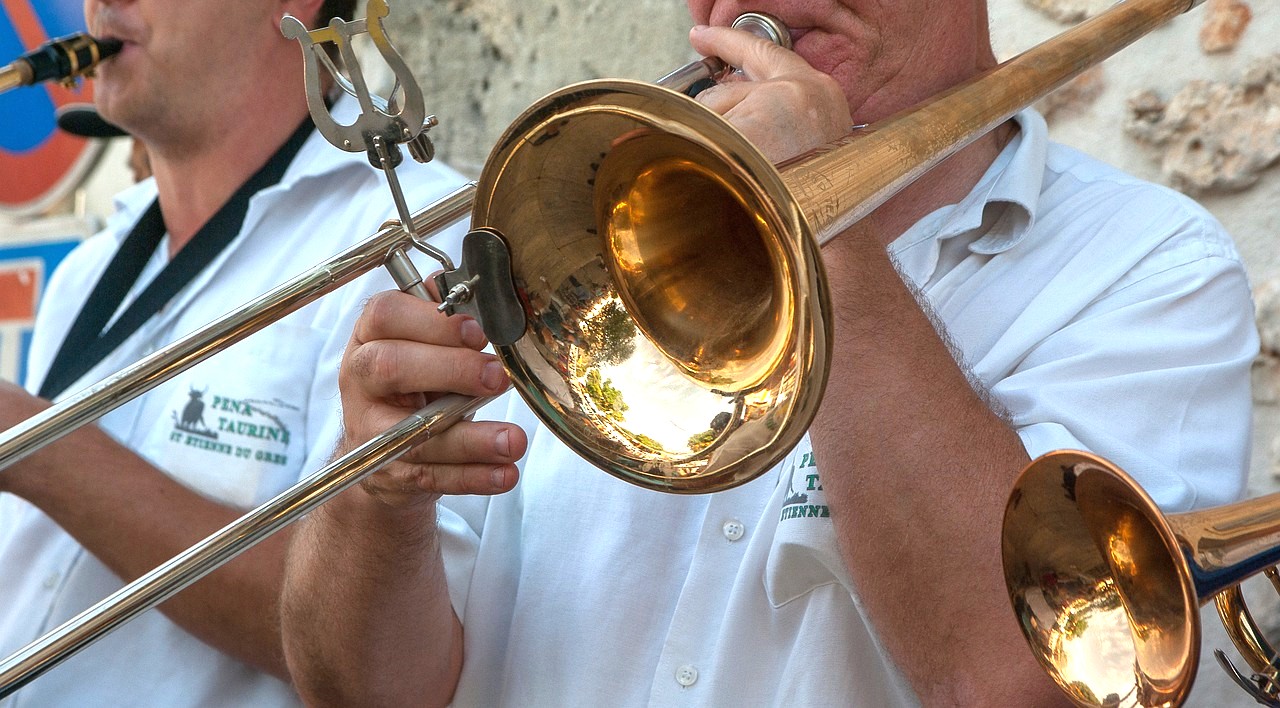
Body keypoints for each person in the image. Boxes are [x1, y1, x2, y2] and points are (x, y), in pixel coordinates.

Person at [279, 1, 1259, 706]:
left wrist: (813, 220)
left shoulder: (1149, 264)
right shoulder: (566, 234)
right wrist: (373, 505)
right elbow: (360, 691)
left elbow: (1013, 684)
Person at [0, 0, 466, 704]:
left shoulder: (423, 236)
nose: (102, 4)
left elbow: (382, 648)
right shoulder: (85, 273)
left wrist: (37, 449)